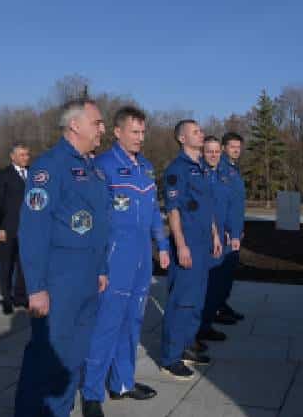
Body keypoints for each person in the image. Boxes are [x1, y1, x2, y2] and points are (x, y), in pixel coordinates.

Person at [14, 99, 110, 417]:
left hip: (87, 279)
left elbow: (100, 223)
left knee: (73, 358)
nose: (102, 129)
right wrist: (36, 286)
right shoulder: (49, 167)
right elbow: (33, 230)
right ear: (75, 125)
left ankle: (61, 411)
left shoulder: (92, 168)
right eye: (97, 122)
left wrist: (101, 269)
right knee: (47, 357)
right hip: (59, 281)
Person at [80, 106, 170, 416]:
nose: (140, 138)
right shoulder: (103, 166)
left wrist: (163, 244)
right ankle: (92, 392)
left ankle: (122, 383)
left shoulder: (145, 167)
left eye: (143, 132)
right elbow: (93, 217)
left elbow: (154, 211)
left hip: (142, 255)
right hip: (116, 254)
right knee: (108, 323)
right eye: (135, 132)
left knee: (133, 321)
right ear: (117, 132)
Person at [159, 119, 221, 380]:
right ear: (182, 138)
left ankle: (187, 345)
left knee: (196, 300)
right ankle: (170, 357)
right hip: (188, 244)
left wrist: (215, 235)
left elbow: (207, 207)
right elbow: (173, 210)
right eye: (195, 131)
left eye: (201, 130)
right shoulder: (177, 169)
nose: (201, 134)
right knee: (181, 301)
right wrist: (181, 245)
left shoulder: (203, 168)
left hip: (204, 243)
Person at [197, 136, 234, 342]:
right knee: (202, 288)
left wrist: (228, 230)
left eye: (217, 152)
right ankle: (196, 330)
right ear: (203, 152)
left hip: (219, 235)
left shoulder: (220, 174)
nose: (213, 155)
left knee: (214, 286)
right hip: (204, 237)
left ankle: (207, 324)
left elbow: (225, 205)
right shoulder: (199, 174)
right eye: (209, 151)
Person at [0, 143, 32, 315]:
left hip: (28, 229)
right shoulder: (2, 176)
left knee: (24, 264)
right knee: (7, 264)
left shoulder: (34, 174)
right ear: (12, 156)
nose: (26, 157)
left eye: (27, 154)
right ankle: (6, 298)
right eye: (22, 155)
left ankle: (21, 297)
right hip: (8, 228)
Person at [214, 132, 246, 323]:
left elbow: (236, 204)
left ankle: (222, 304)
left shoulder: (234, 169)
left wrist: (238, 229)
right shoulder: (221, 169)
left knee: (228, 272)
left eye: (239, 146)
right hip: (225, 232)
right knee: (221, 272)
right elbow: (220, 203)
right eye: (232, 146)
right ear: (224, 147)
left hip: (234, 231)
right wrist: (226, 230)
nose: (236, 149)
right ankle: (215, 309)